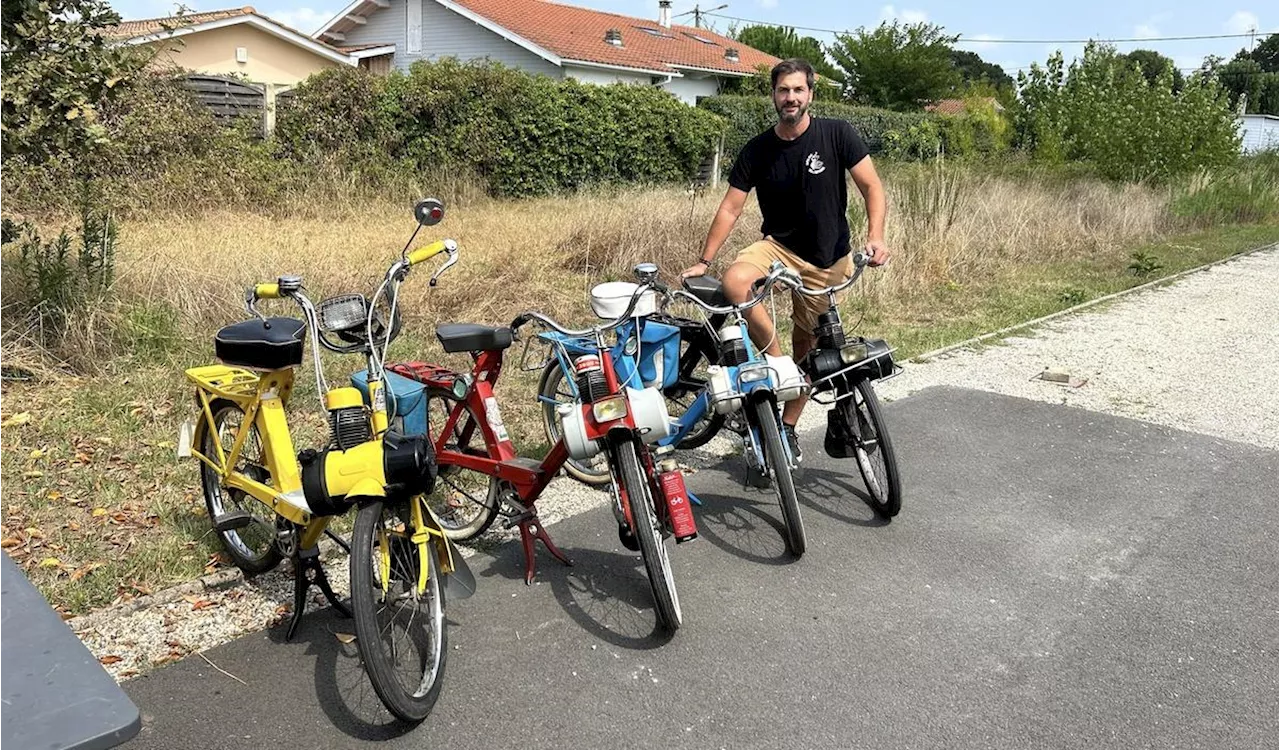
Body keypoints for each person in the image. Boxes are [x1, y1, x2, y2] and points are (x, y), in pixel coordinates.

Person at [680, 57, 889, 464]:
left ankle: (786, 428)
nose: (790, 97)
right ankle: (776, 361)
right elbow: (730, 209)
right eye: (782, 90)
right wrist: (705, 260)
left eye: (797, 90)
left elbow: (872, 187)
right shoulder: (757, 149)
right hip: (777, 249)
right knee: (736, 283)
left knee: (810, 350)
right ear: (773, 95)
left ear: (810, 93)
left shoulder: (838, 134)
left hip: (829, 261)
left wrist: (877, 237)